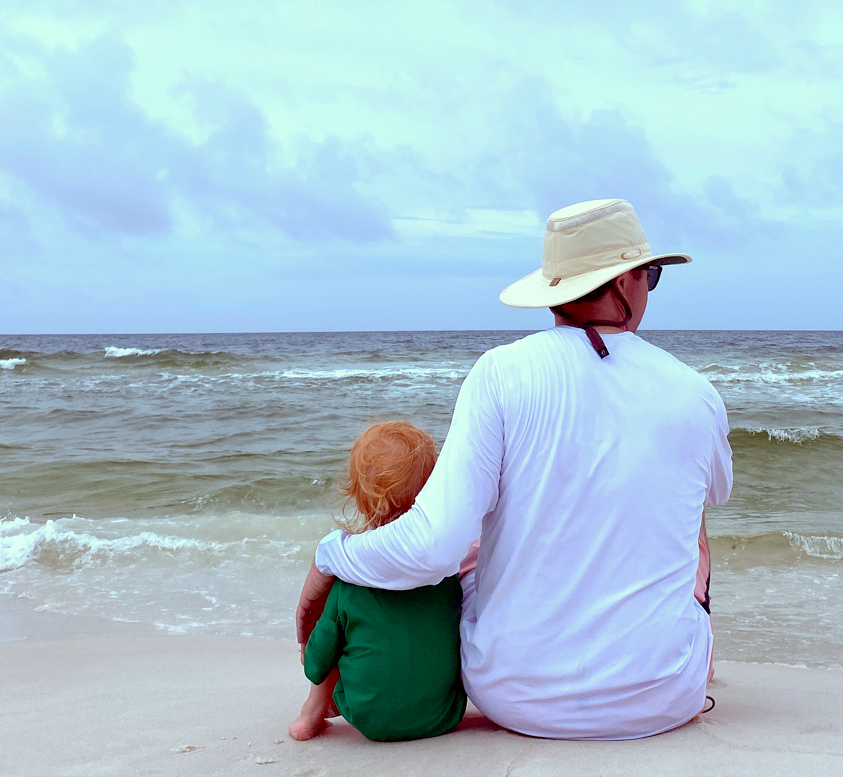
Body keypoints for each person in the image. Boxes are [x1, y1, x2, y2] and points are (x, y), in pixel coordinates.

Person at [295, 198, 733, 740]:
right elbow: (715, 492)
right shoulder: (696, 392)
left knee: (475, 548)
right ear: (622, 284)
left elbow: (433, 548)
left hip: (514, 696)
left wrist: (331, 555)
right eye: (650, 274)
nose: (649, 287)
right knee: (695, 529)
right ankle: (668, 656)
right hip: (666, 696)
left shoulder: (502, 372)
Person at [289, 421, 468, 742]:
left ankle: (311, 713)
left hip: (369, 717)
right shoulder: (445, 567)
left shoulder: (349, 574)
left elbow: (316, 662)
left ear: (357, 495)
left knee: (336, 640)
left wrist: (310, 655)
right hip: (445, 713)